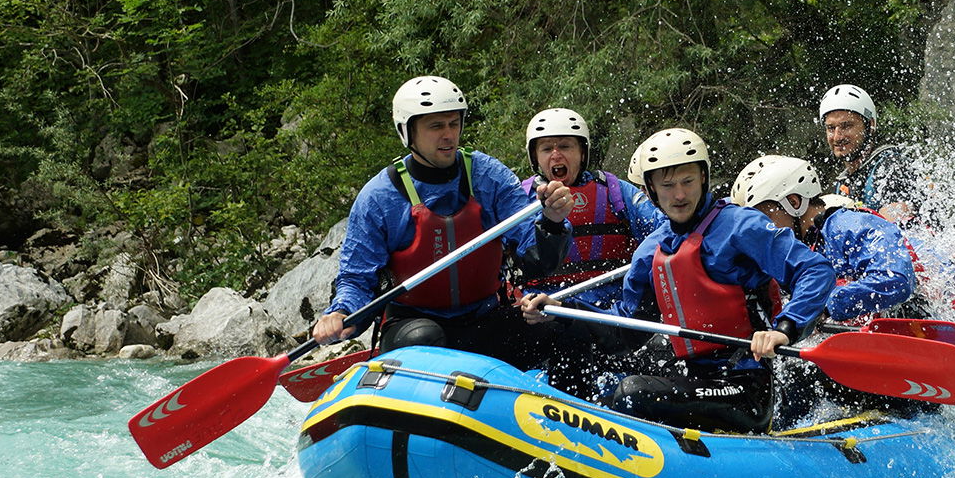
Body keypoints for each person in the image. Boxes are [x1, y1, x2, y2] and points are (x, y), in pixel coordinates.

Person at [521, 128, 834, 433]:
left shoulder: (740, 226)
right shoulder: (651, 252)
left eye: (687, 181)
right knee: (599, 371)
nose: (680, 195)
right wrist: (563, 310)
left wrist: (785, 329)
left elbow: (814, 270)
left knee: (633, 393)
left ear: (703, 177)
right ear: (652, 190)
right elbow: (627, 329)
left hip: (745, 385)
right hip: (696, 378)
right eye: (668, 185)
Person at [312, 76, 574, 363]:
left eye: (453, 124)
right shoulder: (380, 197)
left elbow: (537, 258)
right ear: (407, 132)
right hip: (413, 328)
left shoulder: (488, 176)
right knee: (425, 337)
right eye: (436, 126)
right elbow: (356, 277)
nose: (448, 135)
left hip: (485, 321)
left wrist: (552, 222)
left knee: (560, 329)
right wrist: (342, 312)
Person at [729, 154, 925, 323]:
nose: (766, 229)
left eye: (768, 218)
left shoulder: (848, 225)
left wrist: (824, 305)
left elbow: (897, 280)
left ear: (793, 202)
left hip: (918, 320)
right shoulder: (808, 246)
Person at [516, 107, 666, 306]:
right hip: (546, 308)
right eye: (546, 149)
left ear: (582, 153)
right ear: (535, 157)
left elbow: (663, 231)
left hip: (613, 306)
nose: (556, 155)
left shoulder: (616, 191)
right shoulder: (520, 198)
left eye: (565, 146)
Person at [818, 83, 920, 224]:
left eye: (846, 126)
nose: (837, 137)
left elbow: (896, 233)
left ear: (870, 125)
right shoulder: (844, 182)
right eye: (831, 128)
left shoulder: (892, 167)